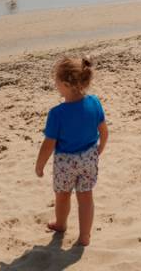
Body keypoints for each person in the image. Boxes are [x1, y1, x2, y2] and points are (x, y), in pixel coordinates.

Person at [35, 56, 108, 247]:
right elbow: (103, 130)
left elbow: (49, 144)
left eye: (57, 82)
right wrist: (101, 147)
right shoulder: (94, 102)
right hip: (89, 158)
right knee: (86, 197)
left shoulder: (57, 113)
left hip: (65, 163)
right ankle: (85, 236)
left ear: (66, 84)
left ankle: (61, 224)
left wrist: (39, 165)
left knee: (62, 195)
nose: (55, 85)